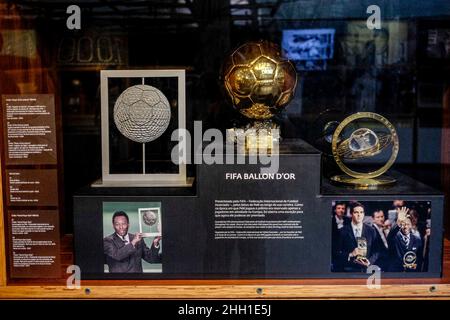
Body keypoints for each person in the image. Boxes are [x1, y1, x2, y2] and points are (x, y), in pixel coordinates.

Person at [338, 202, 380, 272]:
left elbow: (377, 251)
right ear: (351, 214)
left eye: (361, 212)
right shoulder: (342, 231)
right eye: (356, 212)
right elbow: (336, 253)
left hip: (366, 270)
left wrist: (369, 262)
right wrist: (350, 254)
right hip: (348, 270)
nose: (359, 215)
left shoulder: (371, 230)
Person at [331, 201, 349, 272]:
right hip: (334, 251)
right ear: (335, 210)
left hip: (346, 251)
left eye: (343, 208)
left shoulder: (348, 221)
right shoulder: (331, 221)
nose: (341, 210)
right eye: (338, 208)